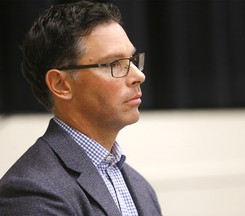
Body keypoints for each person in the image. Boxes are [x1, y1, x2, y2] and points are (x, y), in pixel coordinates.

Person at [0, 1, 162, 215]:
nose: (138, 76)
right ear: (61, 84)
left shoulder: (140, 187)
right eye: (113, 63)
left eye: (132, 60)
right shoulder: (32, 192)